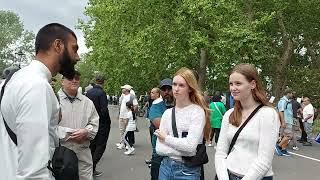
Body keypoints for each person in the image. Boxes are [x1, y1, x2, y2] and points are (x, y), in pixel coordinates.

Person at [0, 23, 80, 179]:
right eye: (74, 49)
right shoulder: (36, 86)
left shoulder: (15, 80)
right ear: (58, 45)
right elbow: (34, 171)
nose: (77, 56)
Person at [215, 63, 280, 180]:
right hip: (227, 174)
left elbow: (264, 160)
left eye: (238, 83)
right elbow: (220, 153)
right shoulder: (229, 114)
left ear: (253, 84)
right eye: (231, 84)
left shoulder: (268, 114)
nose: (233, 88)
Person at [155, 67, 211, 180]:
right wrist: (184, 150)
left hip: (187, 171)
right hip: (165, 167)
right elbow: (159, 148)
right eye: (174, 84)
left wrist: (166, 138)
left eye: (181, 85)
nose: (176, 89)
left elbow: (190, 147)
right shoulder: (167, 113)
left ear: (190, 88)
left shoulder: (197, 112)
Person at [57, 71, 99, 180]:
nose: (74, 80)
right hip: (61, 154)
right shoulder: (54, 100)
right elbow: (47, 126)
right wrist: (69, 134)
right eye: (70, 77)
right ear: (62, 81)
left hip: (83, 153)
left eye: (77, 78)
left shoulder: (88, 102)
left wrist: (87, 132)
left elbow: (94, 123)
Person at [86, 74, 111, 177]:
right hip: (101, 123)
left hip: (91, 122)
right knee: (100, 146)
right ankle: (92, 168)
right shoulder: (101, 93)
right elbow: (104, 110)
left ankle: (89, 168)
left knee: (92, 145)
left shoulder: (89, 92)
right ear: (103, 82)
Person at [117, 85, 138, 149]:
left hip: (127, 116)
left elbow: (136, 105)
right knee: (121, 130)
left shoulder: (132, 96)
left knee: (128, 131)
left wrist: (132, 113)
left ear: (126, 89)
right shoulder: (123, 96)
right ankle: (122, 143)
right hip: (122, 115)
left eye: (123, 88)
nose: (122, 89)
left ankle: (128, 144)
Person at [275, 88, 294, 157]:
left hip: (289, 120)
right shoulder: (283, 101)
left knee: (286, 135)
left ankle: (283, 149)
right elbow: (281, 111)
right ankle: (279, 146)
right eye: (291, 93)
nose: (292, 95)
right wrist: (283, 122)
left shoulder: (287, 101)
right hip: (286, 121)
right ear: (288, 93)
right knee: (289, 135)